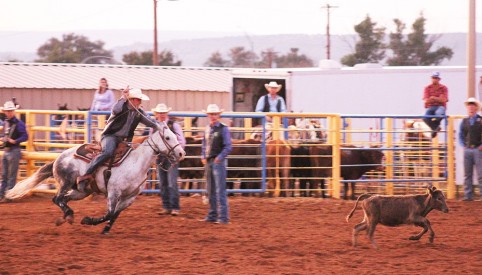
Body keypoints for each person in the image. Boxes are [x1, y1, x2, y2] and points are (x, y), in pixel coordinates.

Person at [76, 87, 159, 192]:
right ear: (132, 100)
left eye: (140, 100)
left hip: (123, 140)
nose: (140, 102)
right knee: (108, 152)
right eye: (138, 99)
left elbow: (150, 122)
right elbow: (115, 109)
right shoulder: (121, 107)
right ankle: (86, 174)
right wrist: (123, 97)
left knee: (133, 156)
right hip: (110, 136)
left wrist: (161, 127)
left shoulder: (139, 112)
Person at [200, 104, 232, 224]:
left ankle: (223, 217)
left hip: (217, 161)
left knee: (219, 190)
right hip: (210, 161)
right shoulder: (208, 128)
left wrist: (219, 157)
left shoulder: (223, 128)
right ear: (208, 115)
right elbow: (204, 144)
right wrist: (203, 155)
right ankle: (213, 215)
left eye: (215, 114)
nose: (213, 116)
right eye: (211, 114)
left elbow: (228, 146)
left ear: (218, 115)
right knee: (211, 189)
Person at [152, 103, 186, 216]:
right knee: (163, 183)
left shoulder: (173, 125)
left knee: (171, 182)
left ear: (166, 113)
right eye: (160, 113)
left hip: (171, 157)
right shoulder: (154, 126)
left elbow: (181, 141)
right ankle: (166, 206)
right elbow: (151, 141)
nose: (161, 114)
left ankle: (175, 207)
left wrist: (177, 154)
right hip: (160, 157)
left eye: (163, 113)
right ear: (156, 114)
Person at [0, 101, 29, 201]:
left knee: (11, 175)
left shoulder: (18, 123)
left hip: (14, 150)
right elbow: (4, 134)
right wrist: (4, 138)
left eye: (11, 111)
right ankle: (3, 194)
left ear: (13, 111)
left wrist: (15, 141)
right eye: (8, 111)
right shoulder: (7, 122)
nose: (9, 113)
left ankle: (8, 195)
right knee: (4, 174)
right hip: (7, 150)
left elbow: (25, 136)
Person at [458, 97, 482, 201]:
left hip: (477, 149)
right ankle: (468, 195)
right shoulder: (465, 121)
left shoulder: (480, 120)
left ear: (476, 108)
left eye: (473, 105)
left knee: (480, 173)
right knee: (467, 174)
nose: (471, 107)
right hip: (468, 149)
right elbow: (460, 135)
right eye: (469, 105)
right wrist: (463, 144)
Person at [423, 72, 448, 138]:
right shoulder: (427, 88)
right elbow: (426, 100)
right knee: (425, 118)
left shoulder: (443, 88)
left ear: (439, 79)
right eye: (433, 78)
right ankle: (435, 128)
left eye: (436, 78)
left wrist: (433, 98)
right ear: (431, 78)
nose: (435, 79)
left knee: (439, 114)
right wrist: (439, 98)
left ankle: (435, 129)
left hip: (440, 107)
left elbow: (444, 100)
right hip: (431, 107)